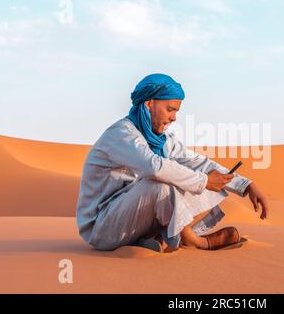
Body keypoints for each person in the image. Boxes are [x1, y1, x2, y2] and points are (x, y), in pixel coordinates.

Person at [76, 73, 269, 252]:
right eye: (170, 109)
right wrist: (203, 181)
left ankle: (154, 238)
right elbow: (154, 167)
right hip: (103, 227)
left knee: (214, 183)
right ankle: (196, 241)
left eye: (176, 111)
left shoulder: (161, 140)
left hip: (131, 219)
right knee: (160, 183)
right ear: (149, 104)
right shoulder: (121, 134)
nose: (174, 117)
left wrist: (246, 185)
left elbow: (199, 163)